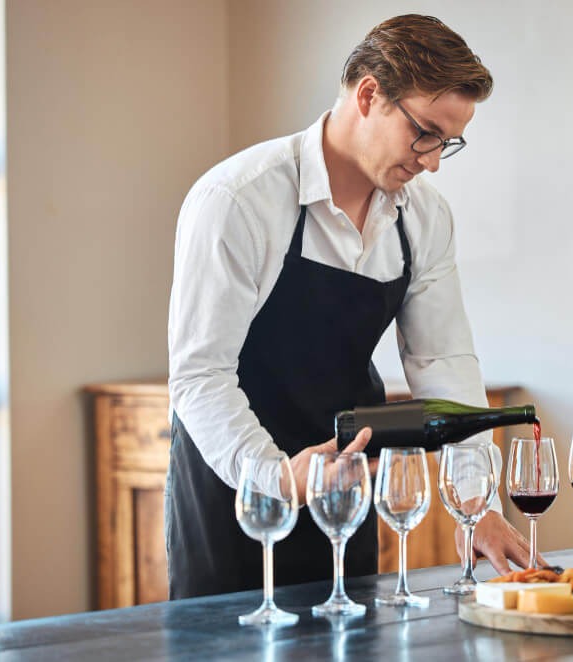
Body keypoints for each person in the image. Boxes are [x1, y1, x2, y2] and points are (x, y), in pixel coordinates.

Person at [166, 14, 534, 600]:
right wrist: (278, 478)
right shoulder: (238, 199)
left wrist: (476, 502)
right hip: (236, 497)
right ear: (369, 96)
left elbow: (443, 360)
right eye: (425, 133)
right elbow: (200, 376)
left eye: (447, 143)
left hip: (348, 492)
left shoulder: (425, 217)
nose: (433, 161)